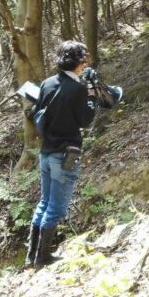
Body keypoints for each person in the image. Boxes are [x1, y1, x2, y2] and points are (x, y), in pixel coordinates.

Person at [27, 41, 97, 268]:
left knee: (44, 202)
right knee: (56, 208)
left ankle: (31, 257)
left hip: (46, 152)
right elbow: (86, 121)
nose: (85, 63)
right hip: (65, 154)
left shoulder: (47, 83)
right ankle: (43, 258)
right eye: (84, 59)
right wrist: (92, 97)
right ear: (80, 62)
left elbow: (36, 113)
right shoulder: (77, 89)